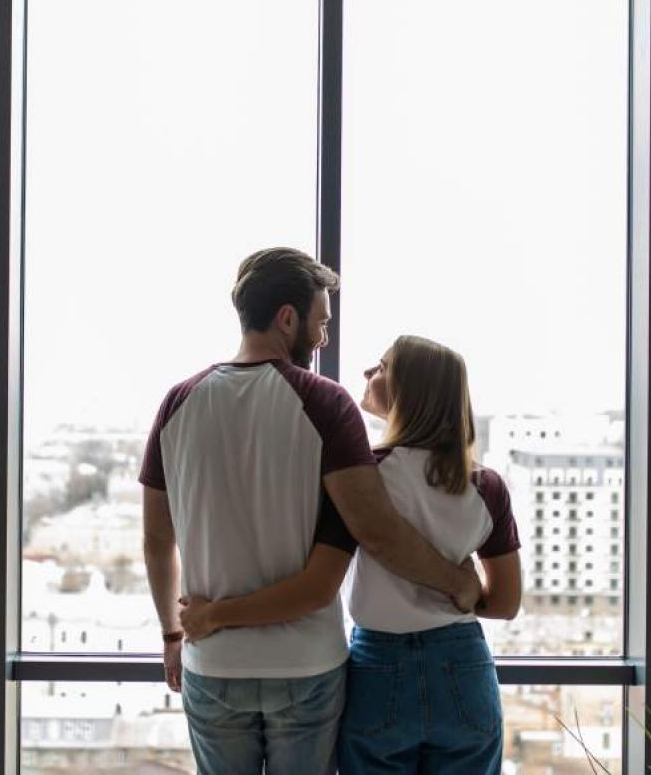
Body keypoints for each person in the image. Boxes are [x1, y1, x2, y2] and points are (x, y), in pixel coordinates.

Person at [140, 249, 482, 775]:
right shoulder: (326, 403)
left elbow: (157, 540)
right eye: (320, 322)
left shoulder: (178, 401)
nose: (323, 337)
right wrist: (458, 582)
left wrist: (172, 634)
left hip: (213, 661)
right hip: (305, 666)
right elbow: (375, 530)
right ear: (287, 318)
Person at [179, 334, 523, 774]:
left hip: (380, 666)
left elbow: (323, 576)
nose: (367, 372)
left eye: (382, 366)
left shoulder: (363, 476)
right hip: (464, 665)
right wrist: (465, 589)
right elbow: (505, 603)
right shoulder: (486, 486)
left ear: (409, 391)